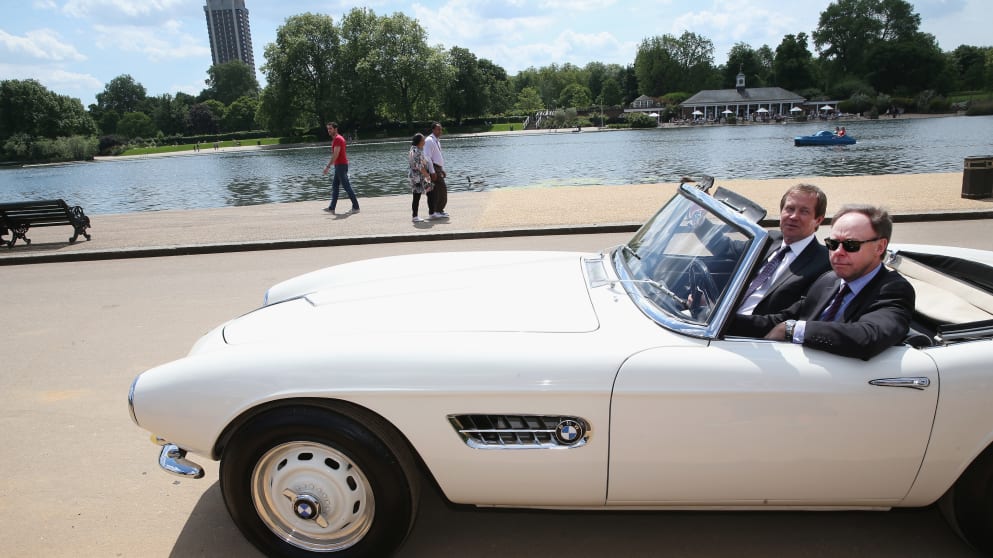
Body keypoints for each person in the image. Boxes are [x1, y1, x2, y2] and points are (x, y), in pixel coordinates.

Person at [727, 204, 915, 360]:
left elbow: (869, 337)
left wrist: (794, 329)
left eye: (851, 245)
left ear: (879, 247)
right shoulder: (829, 280)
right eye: (832, 244)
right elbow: (778, 321)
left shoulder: (893, 289)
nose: (838, 252)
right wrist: (718, 318)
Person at [697, 183, 831, 315]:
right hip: (720, 318)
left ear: (818, 220)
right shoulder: (771, 239)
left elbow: (794, 316)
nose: (793, 216)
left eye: (804, 211)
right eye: (790, 209)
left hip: (751, 331)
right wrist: (699, 220)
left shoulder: (824, 262)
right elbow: (726, 247)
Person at [322, 122, 359, 215]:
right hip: (339, 165)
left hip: (341, 166)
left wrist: (327, 166)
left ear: (335, 129)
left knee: (346, 186)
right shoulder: (336, 139)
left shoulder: (338, 139)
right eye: (328, 129)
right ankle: (332, 207)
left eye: (330, 128)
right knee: (335, 186)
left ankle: (356, 207)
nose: (329, 130)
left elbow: (336, 154)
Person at [423, 122, 449, 219]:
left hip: (438, 167)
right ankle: (436, 210)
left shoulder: (437, 140)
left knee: (439, 190)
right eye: (438, 129)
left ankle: (439, 210)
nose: (440, 131)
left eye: (441, 129)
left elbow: (438, 156)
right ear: (433, 130)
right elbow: (427, 157)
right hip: (433, 168)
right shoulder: (429, 140)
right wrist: (432, 171)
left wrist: (442, 169)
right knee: (439, 189)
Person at [408, 133, 434, 223]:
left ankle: (432, 213)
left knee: (430, 191)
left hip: (422, 176)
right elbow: (419, 166)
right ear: (419, 141)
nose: (424, 142)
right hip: (417, 177)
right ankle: (415, 216)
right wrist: (427, 175)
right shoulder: (415, 151)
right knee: (416, 196)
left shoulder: (417, 149)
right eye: (423, 140)